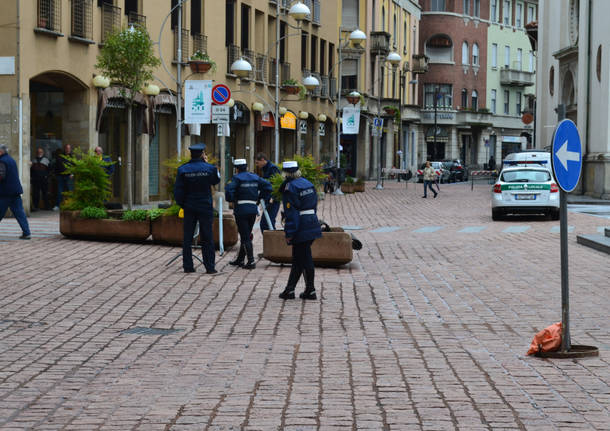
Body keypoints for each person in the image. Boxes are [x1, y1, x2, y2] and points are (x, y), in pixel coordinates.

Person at [277, 161, 322, 300]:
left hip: (301, 226)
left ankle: (309, 290)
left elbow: (292, 213)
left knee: (304, 258)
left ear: (285, 173)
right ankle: (291, 290)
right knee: (299, 258)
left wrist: (289, 233)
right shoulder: (308, 183)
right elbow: (314, 205)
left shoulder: (290, 188)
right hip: (312, 222)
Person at [173, 143, 220, 274]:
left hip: (189, 206)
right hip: (205, 206)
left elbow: (178, 191)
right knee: (207, 236)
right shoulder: (210, 168)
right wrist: (208, 164)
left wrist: (183, 204)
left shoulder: (183, 169)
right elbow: (216, 181)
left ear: (191, 154)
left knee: (187, 237)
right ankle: (210, 267)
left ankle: (188, 266)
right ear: (202, 154)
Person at [225, 159, 272, 269]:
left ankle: (251, 261)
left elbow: (229, 191)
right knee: (246, 234)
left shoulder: (237, 178)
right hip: (252, 209)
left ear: (236, 169)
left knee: (245, 236)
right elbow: (268, 186)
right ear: (246, 167)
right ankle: (240, 259)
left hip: (241, 209)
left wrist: (233, 199)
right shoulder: (255, 177)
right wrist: (260, 198)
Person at [0, 144, 31, 239]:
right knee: (20, 213)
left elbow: (1, 175)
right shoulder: (11, 160)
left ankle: (26, 232)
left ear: (1, 152)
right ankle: (27, 232)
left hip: (5, 192)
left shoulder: (2, 161)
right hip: (15, 191)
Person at [254, 153, 280, 232]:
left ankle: (273, 243)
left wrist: (273, 198)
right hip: (267, 199)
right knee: (266, 224)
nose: (257, 165)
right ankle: (271, 242)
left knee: (268, 224)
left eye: (257, 163)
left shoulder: (272, 168)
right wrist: (258, 202)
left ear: (262, 160)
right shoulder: (265, 169)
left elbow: (276, 185)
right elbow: (264, 187)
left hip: (272, 200)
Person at [53, 144, 74, 210]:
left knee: (69, 191)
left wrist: (72, 173)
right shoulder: (60, 157)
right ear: (64, 149)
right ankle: (58, 205)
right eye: (66, 148)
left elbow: (75, 166)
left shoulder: (72, 157)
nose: (68, 150)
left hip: (69, 176)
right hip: (60, 176)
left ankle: (70, 205)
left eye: (69, 148)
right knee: (60, 191)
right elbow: (56, 166)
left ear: (70, 149)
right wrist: (56, 175)